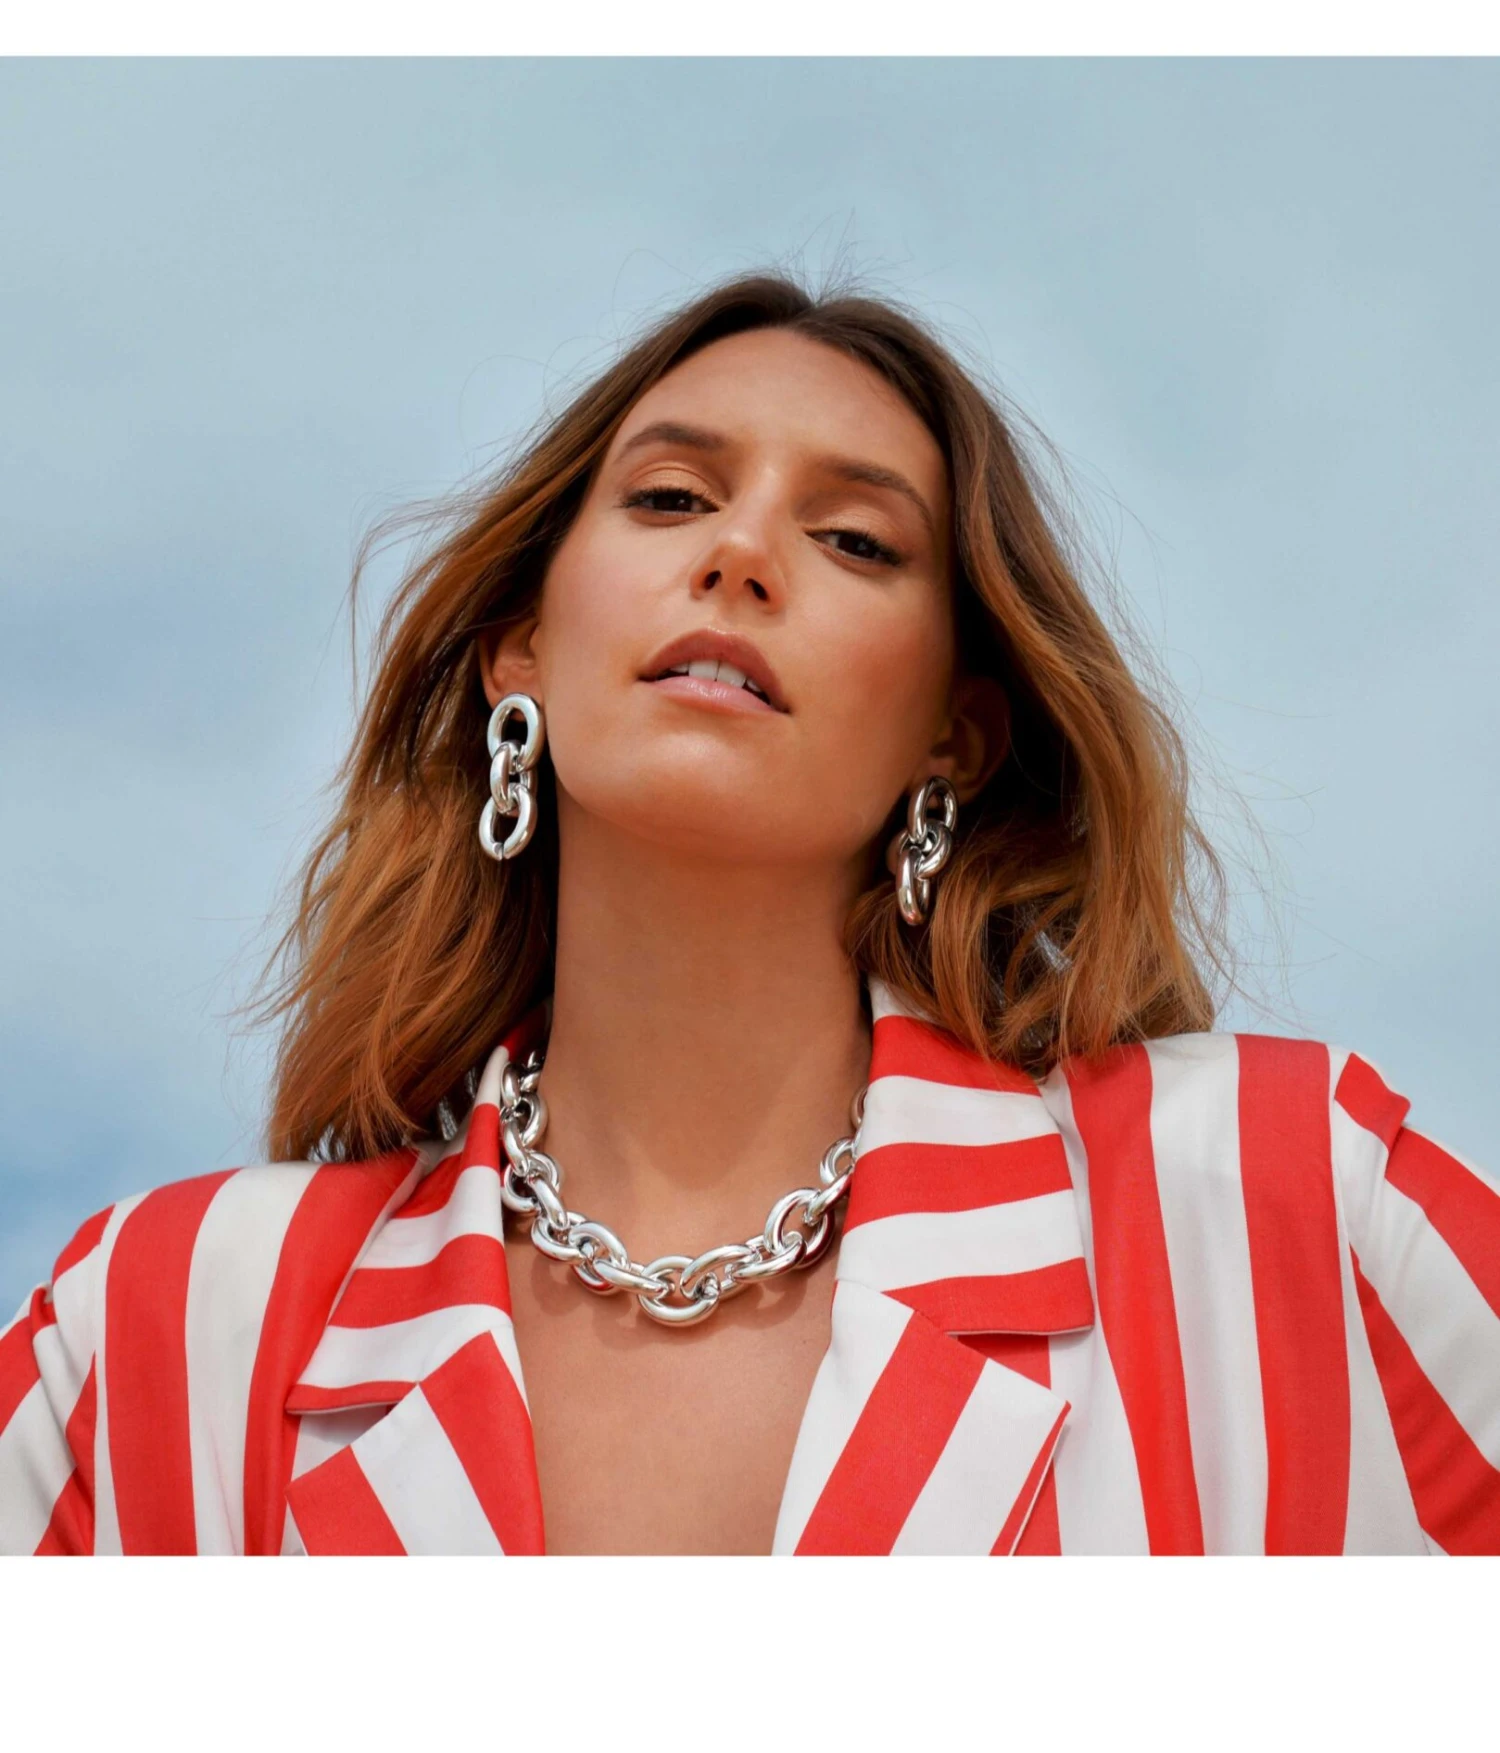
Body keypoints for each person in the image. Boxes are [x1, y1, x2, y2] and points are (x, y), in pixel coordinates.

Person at [3, 272, 1497, 1555]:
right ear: (519, 649)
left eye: (856, 540)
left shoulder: (1287, 1201)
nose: (740, 556)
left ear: (955, 735)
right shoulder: (154, 1332)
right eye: (669, 499)